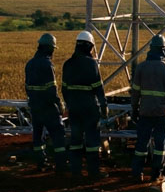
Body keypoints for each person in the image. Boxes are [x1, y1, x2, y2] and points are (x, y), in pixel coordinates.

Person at [130, 34, 165, 182]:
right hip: (162, 113)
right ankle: (156, 174)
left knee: (141, 144)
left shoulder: (141, 67)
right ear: (163, 50)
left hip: (145, 112)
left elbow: (135, 91)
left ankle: (137, 173)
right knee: (159, 145)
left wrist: (134, 109)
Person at [62, 30, 108, 181]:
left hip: (74, 108)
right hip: (89, 108)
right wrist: (103, 106)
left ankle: (76, 171)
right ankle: (93, 172)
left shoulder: (68, 64)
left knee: (75, 140)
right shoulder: (91, 64)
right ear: (89, 46)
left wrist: (69, 105)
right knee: (92, 141)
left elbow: (64, 89)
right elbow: (98, 88)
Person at [24, 33, 67, 173]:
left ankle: (40, 162)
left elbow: (28, 88)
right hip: (48, 107)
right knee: (58, 134)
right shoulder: (47, 64)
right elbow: (51, 89)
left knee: (38, 136)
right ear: (49, 48)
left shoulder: (29, 64)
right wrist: (59, 104)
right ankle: (61, 165)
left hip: (35, 106)